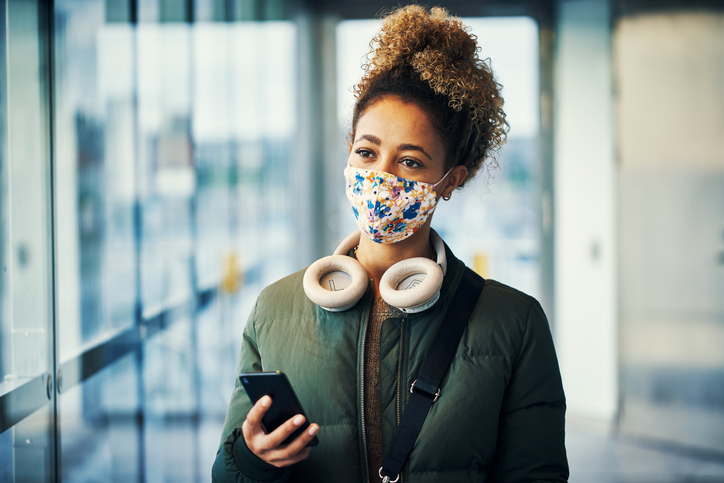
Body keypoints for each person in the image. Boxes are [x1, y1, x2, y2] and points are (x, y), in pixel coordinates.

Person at [212, 5, 568, 482]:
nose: (379, 175)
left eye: (411, 162)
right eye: (366, 151)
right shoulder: (275, 309)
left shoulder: (513, 323)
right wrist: (256, 459)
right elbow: (226, 473)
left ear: (449, 180)